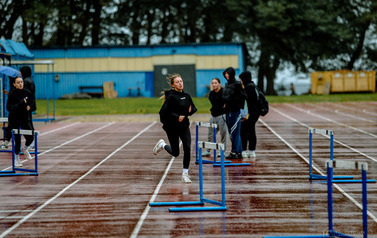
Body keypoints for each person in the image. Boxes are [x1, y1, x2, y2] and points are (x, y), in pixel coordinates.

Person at [153, 74, 197, 183]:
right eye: (177, 82)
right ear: (173, 85)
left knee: (187, 147)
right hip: (172, 127)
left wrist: (189, 112)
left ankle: (185, 174)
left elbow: (193, 108)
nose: (180, 83)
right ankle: (162, 144)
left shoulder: (187, 95)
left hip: (184, 126)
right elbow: (163, 112)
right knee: (176, 153)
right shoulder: (171, 97)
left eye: (181, 81)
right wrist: (177, 117)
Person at [6, 77, 34, 166]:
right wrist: (21, 103)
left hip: (25, 118)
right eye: (18, 82)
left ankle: (25, 149)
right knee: (17, 139)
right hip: (15, 119)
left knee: (31, 136)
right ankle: (16, 159)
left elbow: (31, 102)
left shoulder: (27, 92)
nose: (20, 84)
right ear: (14, 84)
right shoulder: (12, 94)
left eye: (21, 82)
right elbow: (9, 107)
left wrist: (29, 106)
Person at [222, 67, 247, 159]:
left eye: (227, 74)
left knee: (234, 132)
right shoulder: (227, 84)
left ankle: (234, 152)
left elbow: (243, 96)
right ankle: (239, 151)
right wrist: (224, 103)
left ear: (231, 74)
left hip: (235, 111)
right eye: (225, 74)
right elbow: (225, 97)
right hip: (227, 111)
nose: (226, 75)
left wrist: (233, 103)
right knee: (231, 132)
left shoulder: (237, 84)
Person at [202, 78, 228, 156]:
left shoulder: (224, 92)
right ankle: (208, 150)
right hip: (213, 116)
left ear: (219, 84)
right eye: (212, 83)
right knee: (210, 134)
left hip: (222, 116)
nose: (214, 85)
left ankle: (222, 151)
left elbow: (227, 102)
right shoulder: (211, 93)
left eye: (215, 83)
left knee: (223, 134)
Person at [239, 71, 260, 160]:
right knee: (252, 131)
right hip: (255, 113)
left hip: (248, 114)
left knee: (244, 131)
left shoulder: (247, 88)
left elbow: (245, 104)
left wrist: (243, 115)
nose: (240, 81)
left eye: (241, 79)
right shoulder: (254, 87)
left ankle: (243, 150)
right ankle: (252, 151)